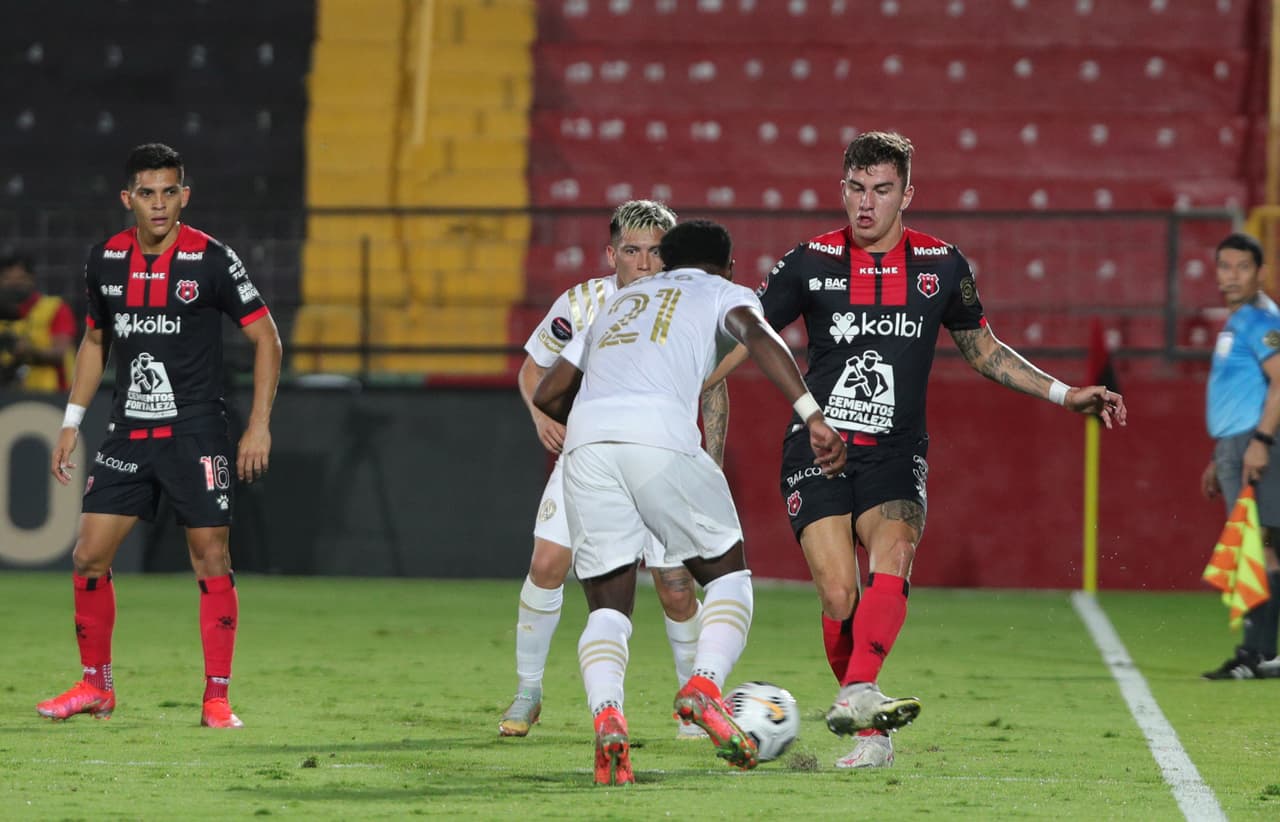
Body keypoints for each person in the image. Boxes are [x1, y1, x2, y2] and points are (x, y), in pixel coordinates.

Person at [710, 131, 1127, 769]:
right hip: (818, 445)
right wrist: (693, 385)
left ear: (908, 192)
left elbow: (984, 350)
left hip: (894, 452)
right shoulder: (808, 262)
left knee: (895, 551)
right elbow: (750, 334)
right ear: (841, 188)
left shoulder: (942, 265)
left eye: (881, 190)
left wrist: (1065, 393)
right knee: (838, 596)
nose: (866, 204)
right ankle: (863, 704)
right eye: (855, 189)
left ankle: (865, 717)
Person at [533, 219, 847, 784]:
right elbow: (759, 334)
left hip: (586, 447)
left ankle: (609, 720)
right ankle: (704, 686)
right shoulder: (722, 292)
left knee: (607, 607)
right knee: (728, 578)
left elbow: (548, 392)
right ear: (726, 266)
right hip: (659, 437)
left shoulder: (617, 302)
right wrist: (812, 415)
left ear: (665, 260)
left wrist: (598, 424)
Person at [36, 143, 282, 728]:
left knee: (210, 557)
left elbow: (266, 338)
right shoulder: (104, 261)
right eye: (147, 193)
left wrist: (259, 425)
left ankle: (216, 697)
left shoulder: (213, 260)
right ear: (128, 199)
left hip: (195, 432)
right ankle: (97, 686)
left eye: (170, 191)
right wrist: (72, 422)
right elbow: (96, 341)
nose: (159, 204)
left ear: (185, 195)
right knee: (89, 556)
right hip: (128, 433)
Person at [500, 200, 729, 739]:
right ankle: (528, 690)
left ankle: (691, 709)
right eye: (632, 250)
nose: (645, 262)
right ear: (611, 254)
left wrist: (710, 462)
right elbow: (534, 366)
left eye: (655, 251)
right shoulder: (583, 302)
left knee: (675, 586)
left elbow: (714, 386)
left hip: (663, 457)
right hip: (591, 455)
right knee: (548, 563)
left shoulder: (689, 300)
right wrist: (540, 417)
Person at [1199, 231, 1280, 680]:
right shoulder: (1238, 322)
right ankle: (1263, 654)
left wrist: (1260, 443)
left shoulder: (1261, 321)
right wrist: (1220, 455)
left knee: (1258, 546)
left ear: (1260, 272)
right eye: (1224, 266)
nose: (1231, 276)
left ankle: (1256, 655)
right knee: (1262, 544)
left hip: (1255, 443)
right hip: (1238, 444)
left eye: (1242, 267)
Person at [0, 252, 77, 392]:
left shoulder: (54, 308)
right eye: (7, 278)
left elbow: (61, 352)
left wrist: (30, 351)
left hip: (52, 395)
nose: (14, 284)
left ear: (32, 279)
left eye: (21, 278)